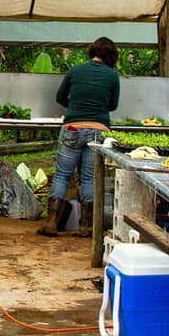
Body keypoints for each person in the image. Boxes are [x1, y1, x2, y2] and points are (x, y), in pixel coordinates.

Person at [40, 37, 121, 238]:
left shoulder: (75, 70)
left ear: (91, 51)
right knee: (89, 178)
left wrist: (77, 105)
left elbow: (59, 97)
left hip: (72, 128)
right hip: (97, 130)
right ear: (111, 56)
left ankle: (51, 223)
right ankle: (86, 226)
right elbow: (112, 105)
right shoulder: (112, 76)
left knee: (61, 175)